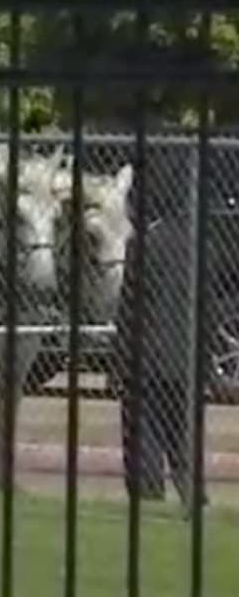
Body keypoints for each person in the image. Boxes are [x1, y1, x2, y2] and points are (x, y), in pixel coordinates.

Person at [113, 217, 206, 506]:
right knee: (183, 432)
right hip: (186, 356)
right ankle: (191, 490)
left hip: (147, 355)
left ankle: (148, 492)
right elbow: (209, 305)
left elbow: (128, 307)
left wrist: (119, 361)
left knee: (144, 430)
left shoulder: (142, 244)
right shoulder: (200, 246)